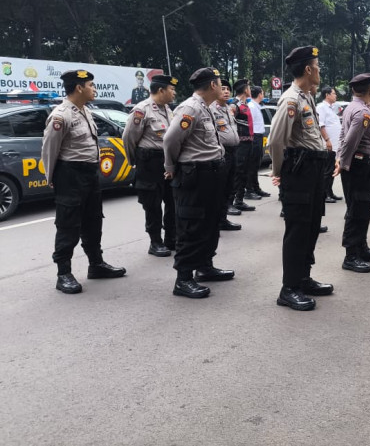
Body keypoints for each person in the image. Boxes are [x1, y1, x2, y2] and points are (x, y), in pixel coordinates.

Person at [42, 70, 127, 294]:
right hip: (70, 174)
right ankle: (63, 273)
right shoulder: (61, 116)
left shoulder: (85, 111)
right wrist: (51, 177)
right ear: (79, 88)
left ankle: (96, 264)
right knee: (68, 224)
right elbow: (49, 149)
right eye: (91, 85)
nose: (94, 89)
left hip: (89, 173)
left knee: (93, 220)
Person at [269, 46, 335, 311]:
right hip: (299, 171)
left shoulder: (307, 97)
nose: (319, 71)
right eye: (317, 66)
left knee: (311, 226)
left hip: (314, 169)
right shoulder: (291, 99)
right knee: (297, 230)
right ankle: (289, 288)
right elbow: (276, 140)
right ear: (308, 69)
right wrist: (278, 171)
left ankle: (303, 278)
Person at [163, 67, 233, 299]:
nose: (222, 87)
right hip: (194, 174)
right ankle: (183, 278)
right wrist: (171, 167)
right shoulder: (191, 108)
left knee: (210, 222)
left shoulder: (206, 107)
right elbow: (170, 140)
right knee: (191, 224)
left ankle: (205, 266)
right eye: (220, 83)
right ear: (212, 85)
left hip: (211, 173)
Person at [122, 74, 178, 256]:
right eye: (171, 89)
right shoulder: (142, 110)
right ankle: (155, 242)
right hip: (149, 162)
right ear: (161, 90)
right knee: (152, 204)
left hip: (167, 161)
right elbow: (128, 138)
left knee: (172, 201)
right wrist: (135, 161)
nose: (174, 93)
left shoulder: (168, 109)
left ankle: (171, 238)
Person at [338, 73, 370, 272]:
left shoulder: (352, 107)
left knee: (364, 208)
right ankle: (351, 255)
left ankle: (361, 247)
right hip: (358, 165)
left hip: (359, 164)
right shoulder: (362, 113)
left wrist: (340, 159)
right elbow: (350, 141)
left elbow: (342, 135)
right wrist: (343, 163)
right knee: (357, 209)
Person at [212, 79, 242, 231]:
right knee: (218, 188)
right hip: (220, 153)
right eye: (222, 88)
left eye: (228, 89)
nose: (226, 92)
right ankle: (214, 221)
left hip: (233, 151)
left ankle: (222, 219)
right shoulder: (211, 109)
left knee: (228, 187)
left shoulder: (229, 109)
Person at [231, 79, 257, 211]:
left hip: (248, 143)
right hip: (240, 144)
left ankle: (239, 200)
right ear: (245, 89)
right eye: (249, 88)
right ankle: (230, 202)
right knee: (238, 172)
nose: (250, 90)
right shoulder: (234, 105)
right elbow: (230, 123)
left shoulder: (245, 104)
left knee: (245, 172)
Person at [317, 86, 343, 203]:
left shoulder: (332, 108)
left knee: (332, 169)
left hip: (335, 146)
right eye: (334, 93)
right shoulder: (321, 108)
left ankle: (330, 192)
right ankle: (324, 194)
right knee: (327, 170)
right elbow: (321, 125)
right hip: (328, 145)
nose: (335, 95)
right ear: (327, 95)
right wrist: (327, 140)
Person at [246, 85, 270, 199]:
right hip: (254, 137)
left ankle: (256, 188)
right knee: (251, 165)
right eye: (262, 93)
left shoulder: (257, 106)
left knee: (256, 165)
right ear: (259, 94)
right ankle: (249, 190)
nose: (263, 95)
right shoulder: (251, 106)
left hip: (259, 137)